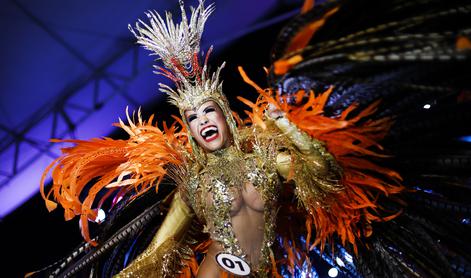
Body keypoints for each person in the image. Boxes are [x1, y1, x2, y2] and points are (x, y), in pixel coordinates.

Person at [34, 0, 471, 277]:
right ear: (187, 129)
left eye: (208, 110)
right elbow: (160, 252)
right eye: (191, 117)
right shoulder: (190, 184)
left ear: (224, 115)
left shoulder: (267, 159)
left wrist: (289, 129)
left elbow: (328, 179)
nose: (202, 120)